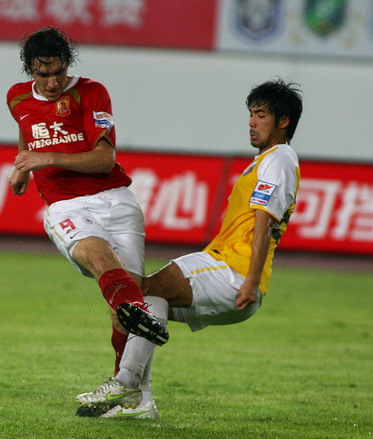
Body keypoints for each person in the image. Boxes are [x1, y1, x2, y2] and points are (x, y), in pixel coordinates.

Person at [75, 78, 303, 419]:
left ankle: (125, 383)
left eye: (261, 115)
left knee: (141, 294)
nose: (252, 122)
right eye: (251, 114)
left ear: (283, 121)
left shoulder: (279, 159)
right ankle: (140, 404)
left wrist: (251, 281)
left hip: (233, 271)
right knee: (146, 302)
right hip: (229, 268)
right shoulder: (268, 160)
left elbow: (263, 226)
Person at [6, 27, 169, 371]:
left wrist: (45, 157)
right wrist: (23, 165)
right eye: (43, 74)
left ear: (68, 64)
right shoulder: (16, 97)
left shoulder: (92, 92)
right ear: (29, 69)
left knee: (121, 307)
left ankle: (129, 389)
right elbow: (28, 126)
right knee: (99, 259)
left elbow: (105, 160)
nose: (53, 82)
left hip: (117, 200)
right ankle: (140, 315)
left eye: (59, 72)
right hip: (67, 206)